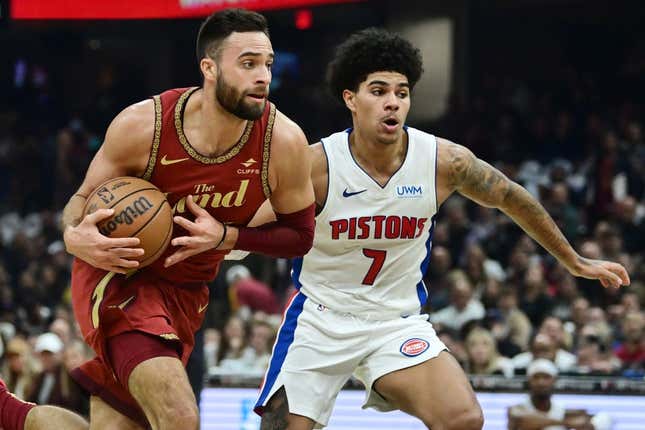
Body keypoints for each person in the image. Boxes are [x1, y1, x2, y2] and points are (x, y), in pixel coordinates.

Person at [252, 28, 629, 430]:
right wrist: (217, 242)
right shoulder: (317, 165)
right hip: (321, 319)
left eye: (401, 92)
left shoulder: (443, 161)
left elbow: (512, 197)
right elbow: (250, 223)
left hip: (394, 321)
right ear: (350, 99)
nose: (392, 103)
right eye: (378, 91)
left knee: (463, 419)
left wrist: (572, 260)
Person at [0, 8, 314, 430]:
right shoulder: (144, 125)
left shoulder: (283, 142)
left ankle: (8, 411)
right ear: (209, 68)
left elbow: (300, 236)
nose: (263, 76)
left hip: (186, 293)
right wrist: (76, 238)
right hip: (120, 276)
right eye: (248, 63)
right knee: (180, 417)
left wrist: (226, 235)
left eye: (268, 64)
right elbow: (80, 201)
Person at [507, 359, 612, 430]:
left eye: (546, 377)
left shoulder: (564, 411)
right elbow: (523, 420)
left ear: (554, 381)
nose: (541, 382)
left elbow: (604, 418)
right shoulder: (516, 410)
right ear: (529, 381)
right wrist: (568, 423)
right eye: (536, 377)